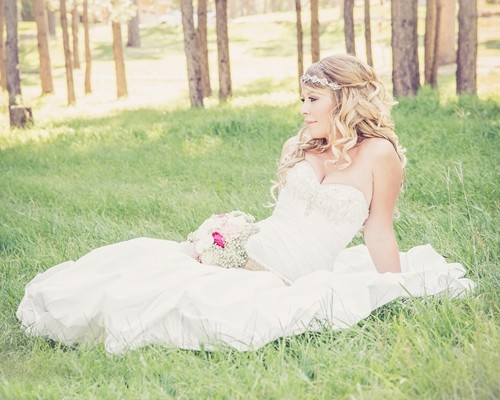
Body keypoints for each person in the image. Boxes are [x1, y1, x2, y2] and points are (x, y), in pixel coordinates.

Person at [16, 54, 474, 354]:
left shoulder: (379, 155)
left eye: (313, 99)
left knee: (202, 304)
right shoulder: (301, 144)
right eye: (302, 99)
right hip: (251, 246)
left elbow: (379, 229)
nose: (303, 109)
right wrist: (227, 240)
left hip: (293, 273)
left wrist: (392, 287)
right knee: (150, 276)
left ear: (344, 99)